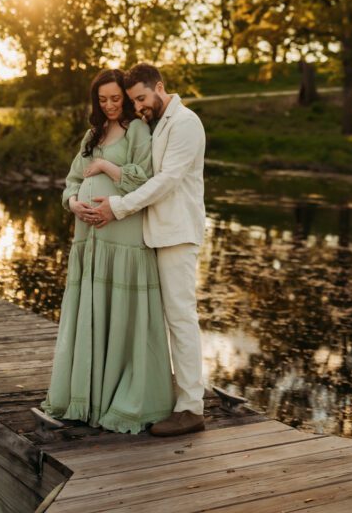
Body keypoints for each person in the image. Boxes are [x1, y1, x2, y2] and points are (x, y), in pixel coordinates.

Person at [41, 68, 174, 434]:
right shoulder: (92, 134)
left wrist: (103, 166)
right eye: (103, 100)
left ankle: (119, 398)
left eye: (116, 98)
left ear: (126, 98)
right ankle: (85, 397)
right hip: (89, 239)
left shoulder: (137, 130)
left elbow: (143, 176)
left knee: (120, 315)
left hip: (123, 238)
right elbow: (70, 182)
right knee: (92, 310)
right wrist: (72, 205)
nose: (111, 105)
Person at [89, 62, 206, 437]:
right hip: (154, 235)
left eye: (141, 98)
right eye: (134, 101)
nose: (138, 106)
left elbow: (166, 182)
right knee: (160, 321)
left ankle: (191, 408)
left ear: (159, 87)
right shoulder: (159, 123)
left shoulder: (186, 123)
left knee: (181, 319)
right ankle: (166, 396)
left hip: (176, 236)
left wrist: (118, 207)